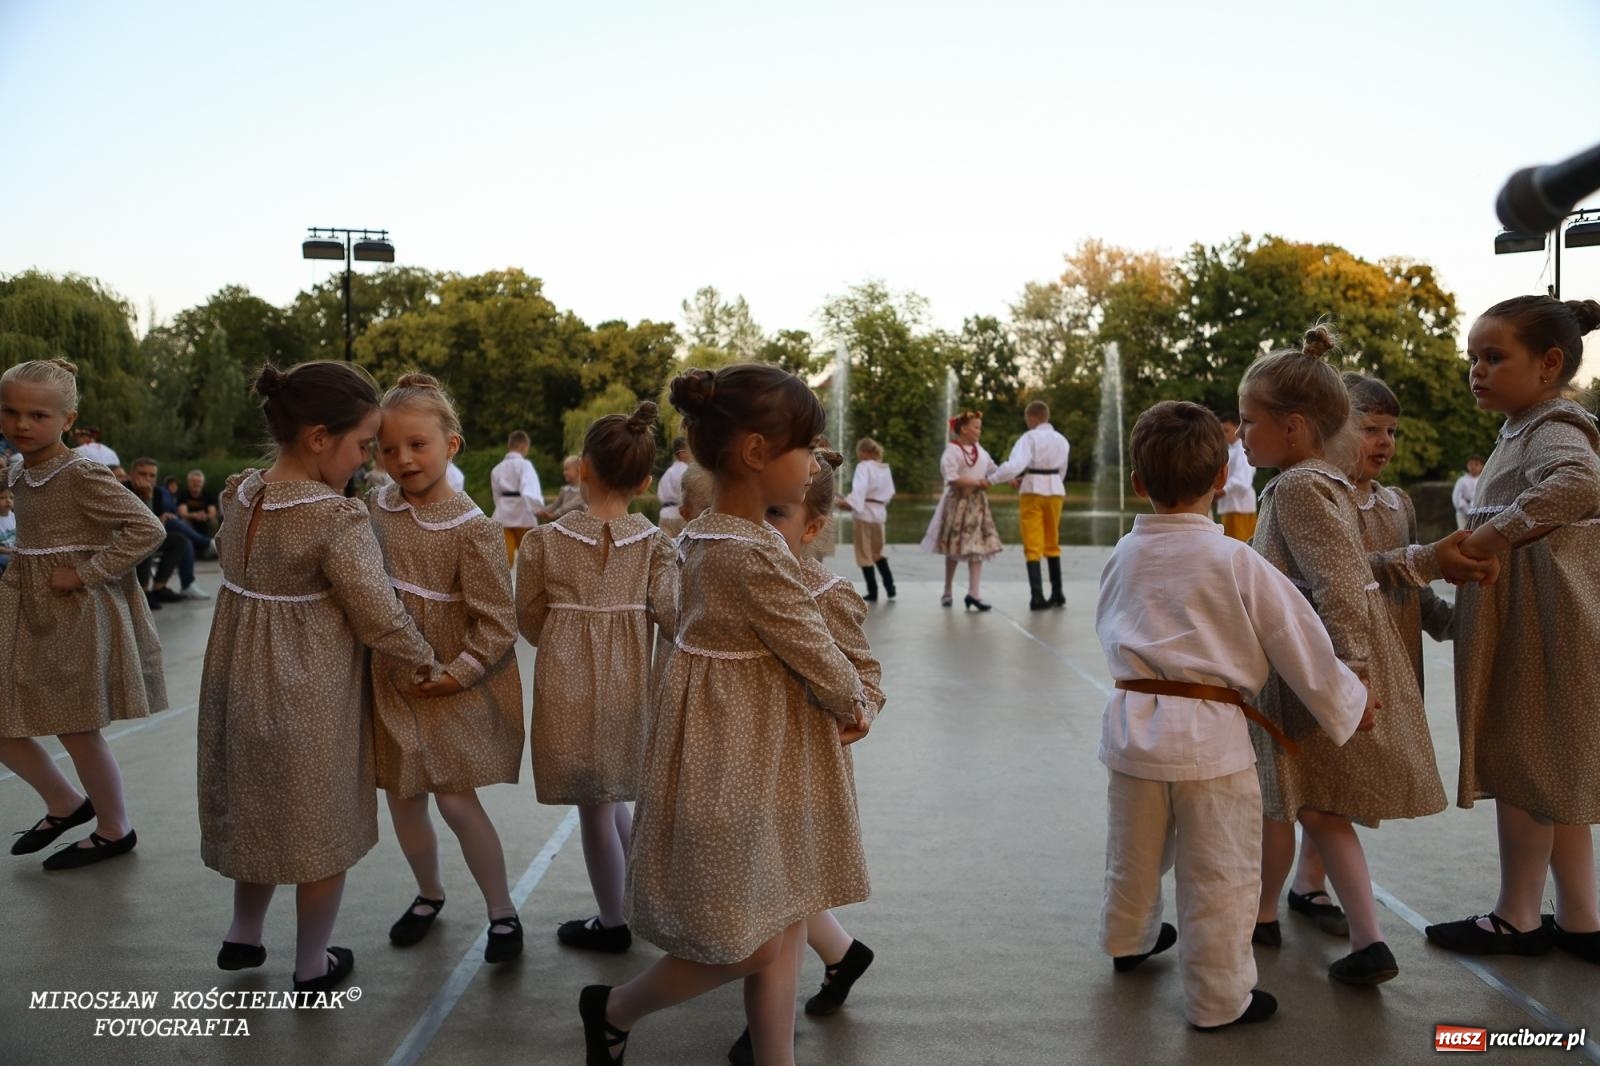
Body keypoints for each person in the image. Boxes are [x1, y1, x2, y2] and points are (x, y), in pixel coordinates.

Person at [580, 364, 871, 1066]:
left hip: (746, 758)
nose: (813, 462)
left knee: (776, 927)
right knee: (754, 940)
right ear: (757, 454)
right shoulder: (753, 557)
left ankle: (773, 1056)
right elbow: (815, 651)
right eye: (806, 446)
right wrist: (855, 702)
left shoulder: (702, 536)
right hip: (742, 765)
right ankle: (613, 1010)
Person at [1097, 400, 1371, 1031]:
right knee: (1219, 871)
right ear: (1223, 479)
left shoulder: (1123, 554)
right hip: (1211, 740)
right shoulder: (1236, 560)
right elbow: (1296, 638)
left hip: (1132, 728)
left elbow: (1109, 627)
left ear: (1139, 483)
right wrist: (1348, 703)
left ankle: (1127, 940)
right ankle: (1220, 1000)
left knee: (1132, 851)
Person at [1239, 324, 1483, 986]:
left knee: (1311, 804)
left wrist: (1352, 676)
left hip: (1311, 680)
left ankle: (1366, 938)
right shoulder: (1319, 485)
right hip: (1307, 675)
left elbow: (1343, 586)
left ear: (1293, 427)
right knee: (1304, 801)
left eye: (1248, 421)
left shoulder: (1298, 489)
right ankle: (1280, 914)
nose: (1241, 436)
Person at [197, 360, 446, 994]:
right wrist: (426, 662)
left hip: (236, 684)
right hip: (308, 691)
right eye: (364, 446)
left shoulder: (241, 493)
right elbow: (378, 614)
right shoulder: (337, 519)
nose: (367, 462)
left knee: (257, 811)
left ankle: (243, 935)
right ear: (318, 438)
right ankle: (312, 965)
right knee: (318, 827)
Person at [1426, 296, 1600, 964]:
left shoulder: (1553, 424)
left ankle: (1518, 918)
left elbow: (1580, 484)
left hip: (1542, 634)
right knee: (1556, 774)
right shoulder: (1522, 427)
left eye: (1494, 358)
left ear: (1548, 365)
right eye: (1473, 357)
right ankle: (1582, 920)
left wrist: (1491, 535)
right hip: (1540, 626)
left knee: (1526, 767)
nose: (1477, 370)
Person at [728, 446, 882, 1064]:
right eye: (757, 511)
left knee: (776, 899)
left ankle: (769, 1029)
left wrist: (860, 710)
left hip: (802, 769)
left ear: (812, 529)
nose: (765, 527)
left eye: (779, 514)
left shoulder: (826, 592)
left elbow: (864, 673)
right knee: (774, 891)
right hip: (745, 756)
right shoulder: (735, 571)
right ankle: (838, 959)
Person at [370, 374, 527, 964]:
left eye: (417, 444)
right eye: (387, 449)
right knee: (404, 799)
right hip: (391, 679)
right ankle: (428, 894)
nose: (402, 459)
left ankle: (502, 911)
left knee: (457, 802)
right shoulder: (373, 510)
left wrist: (458, 672)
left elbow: (497, 622)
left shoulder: (474, 529)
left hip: (450, 683)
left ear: (451, 445)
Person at [518, 401, 677, 955]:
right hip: (629, 681)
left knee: (594, 805)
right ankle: (644, 894)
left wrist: (567, 635)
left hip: (567, 680)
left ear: (581, 468)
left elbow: (529, 616)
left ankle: (613, 921)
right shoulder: (658, 544)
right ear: (647, 482)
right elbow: (672, 614)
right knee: (610, 794)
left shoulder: (544, 541)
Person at [0, 359, 166, 871]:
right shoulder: (18, 466)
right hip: (23, 606)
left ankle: (115, 828)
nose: (22, 425)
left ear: (68, 421)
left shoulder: (82, 473)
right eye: (10, 412)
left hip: (72, 614)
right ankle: (65, 803)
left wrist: (86, 572)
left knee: (76, 727)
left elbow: (148, 529)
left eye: (38, 415)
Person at [985, 401, 1070, 610]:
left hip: (1033, 491)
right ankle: (1058, 593)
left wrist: (992, 479)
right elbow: (1061, 471)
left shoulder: (1029, 438)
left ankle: (1037, 596)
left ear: (1033, 418)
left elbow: (1015, 465)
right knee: (1052, 540)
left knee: (1033, 543)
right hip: (1055, 491)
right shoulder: (1062, 440)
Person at [921, 411, 1002, 611]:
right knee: (955, 548)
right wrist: (978, 481)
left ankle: (974, 593)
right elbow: (951, 477)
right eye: (976, 427)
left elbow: (993, 469)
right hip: (958, 502)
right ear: (964, 429)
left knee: (977, 547)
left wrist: (1009, 476)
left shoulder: (980, 451)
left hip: (976, 504)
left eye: (979, 427)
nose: (979, 431)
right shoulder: (953, 451)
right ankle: (947, 590)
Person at [128, 458, 208, 603]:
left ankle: (160, 587)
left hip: (151, 532)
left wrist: (162, 516)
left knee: (181, 540)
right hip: (130, 538)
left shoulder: (158, 492)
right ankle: (143, 591)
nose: (147, 479)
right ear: (131, 474)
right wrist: (148, 498)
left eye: (152, 476)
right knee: (149, 536)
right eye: (142, 474)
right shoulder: (124, 489)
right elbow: (142, 524)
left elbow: (155, 518)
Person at [837, 436, 896, 602]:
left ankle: (873, 591)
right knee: (878, 552)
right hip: (879, 514)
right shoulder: (884, 468)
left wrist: (847, 503)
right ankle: (890, 587)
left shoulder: (863, 467)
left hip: (864, 514)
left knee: (864, 553)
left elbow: (860, 490)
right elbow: (890, 493)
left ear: (863, 452)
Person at [490, 430, 542, 567]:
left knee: (504, 562)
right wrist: (538, 509)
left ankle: (504, 587)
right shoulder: (525, 465)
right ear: (524, 446)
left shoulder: (496, 469)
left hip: (503, 516)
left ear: (509, 445)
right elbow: (529, 491)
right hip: (523, 515)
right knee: (530, 560)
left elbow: (496, 497)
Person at [1216, 414, 1258, 542]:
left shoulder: (1241, 450)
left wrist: (1224, 490)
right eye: (1221, 431)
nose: (1223, 434)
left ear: (1237, 428)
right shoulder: (1230, 450)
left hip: (1240, 507)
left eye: (1226, 430)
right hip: (1231, 506)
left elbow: (1243, 480)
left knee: (1239, 546)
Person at [656, 436, 691, 536]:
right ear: (682, 453)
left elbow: (660, 495)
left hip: (665, 515)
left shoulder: (668, 472)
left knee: (666, 549)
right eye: (689, 450)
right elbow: (687, 496)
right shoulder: (686, 471)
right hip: (680, 517)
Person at [539, 455, 586, 522]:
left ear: (578, 469)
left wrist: (554, 514)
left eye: (567, 469)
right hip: (564, 524)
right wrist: (542, 511)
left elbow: (569, 506)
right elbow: (555, 505)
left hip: (578, 526)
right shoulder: (564, 490)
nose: (564, 473)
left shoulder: (583, 491)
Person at [177, 469, 220, 539]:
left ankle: (211, 543)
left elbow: (213, 513)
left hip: (204, 521)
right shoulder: (182, 495)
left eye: (198, 481)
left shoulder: (208, 495)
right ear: (188, 482)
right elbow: (182, 513)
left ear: (202, 483)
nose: (196, 484)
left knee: (213, 522)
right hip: (189, 520)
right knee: (183, 522)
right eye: (193, 481)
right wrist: (194, 515)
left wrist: (204, 516)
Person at [1452, 456, 1485, 530]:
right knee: (1463, 532)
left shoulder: (1483, 480)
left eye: (1476, 464)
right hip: (1463, 513)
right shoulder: (1462, 480)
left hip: (1479, 512)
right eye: (1471, 464)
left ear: (1482, 466)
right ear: (1467, 466)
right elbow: (1457, 497)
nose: (1473, 467)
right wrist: (1466, 510)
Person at [0, 485, 14, 574]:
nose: (8, 501)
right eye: (2, 498)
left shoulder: (14, 516)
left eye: (11, 497)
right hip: (3, 554)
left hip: (15, 552)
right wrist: (10, 551)